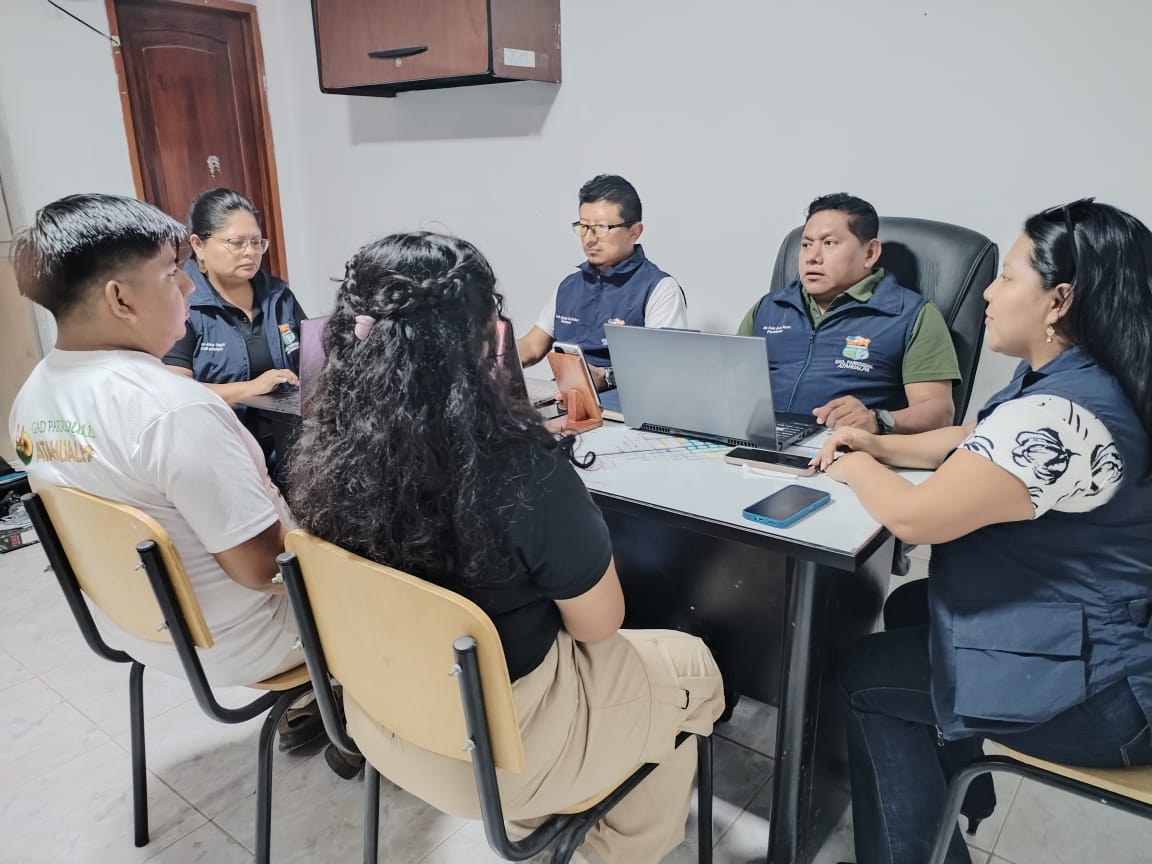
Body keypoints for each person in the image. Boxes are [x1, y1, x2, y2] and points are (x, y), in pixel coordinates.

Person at [290, 231, 725, 864]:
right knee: (693, 666)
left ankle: (574, 823)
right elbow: (599, 624)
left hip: (378, 724)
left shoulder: (322, 457)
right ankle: (618, 849)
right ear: (479, 340)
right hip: (504, 761)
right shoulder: (519, 470)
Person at [811, 199, 1152, 864]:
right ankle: (955, 794)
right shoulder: (1079, 376)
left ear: (1059, 300)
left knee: (864, 678)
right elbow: (975, 436)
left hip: (1108, 699)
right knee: (913, 607)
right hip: (1104, 637)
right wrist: (878, 441)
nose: (989, 294)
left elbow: (916, 517)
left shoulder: (1059, 418)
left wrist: (851, 465)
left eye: (1007, 277)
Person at [8, 193, 306, 690]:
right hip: (253, 638)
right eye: (172, 273)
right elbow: (268, 571)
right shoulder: (174, 408)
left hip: (140, 628)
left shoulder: (32, 396)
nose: (189, 286)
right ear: (120, 299)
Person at [738, 193, 959, 434]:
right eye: (806, 244)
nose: (812, 257)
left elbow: (939, 413)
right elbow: (729, 385)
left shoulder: (910, 315)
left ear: (870, 253)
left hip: (845, 448)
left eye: (829, 243)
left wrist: (877, 420)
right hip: (758, 442)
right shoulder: (769, 308)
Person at [517, 174, 687, 391]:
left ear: (634, 232)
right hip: (567, 400)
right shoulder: (568, 287)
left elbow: (665, 369)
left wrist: (606, 377)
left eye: (601, 228)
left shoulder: (659, 289)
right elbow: (532, 346)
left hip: (623, 405)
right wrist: (491, 354)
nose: (589, 239)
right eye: (584, 227)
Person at [164, 187, 305, 405]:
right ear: (198, 245)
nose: (250, 252)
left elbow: (315, 359)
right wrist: (250, 388)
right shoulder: (181, 304)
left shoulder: (279, 295)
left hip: (287, 422)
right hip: (218, 425)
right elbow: (176, 391)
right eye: (237, 243)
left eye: (256, 242)